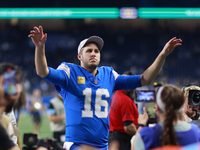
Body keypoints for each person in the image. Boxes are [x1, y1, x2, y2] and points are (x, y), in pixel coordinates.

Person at [28, 25, 182, 150]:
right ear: (79, 56)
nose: (94, 53)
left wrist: (162, 55)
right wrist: (40, 47)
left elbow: (144, 79)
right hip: (76, 144)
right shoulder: (70, 72)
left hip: (103, 146)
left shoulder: (109, 75)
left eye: (96, 51)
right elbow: (43, 71)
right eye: (89, 51)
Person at [132, 84, 200, 150]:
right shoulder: (195, 131)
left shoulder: (146, 135)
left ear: (157, 108)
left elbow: (135, 147)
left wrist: (141, 125)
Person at [108, 71, 138, 150]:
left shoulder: (117, 94)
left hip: (113, 137)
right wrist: (141, 133)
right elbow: (128, 127)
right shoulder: (126, 101)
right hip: (121, 140)